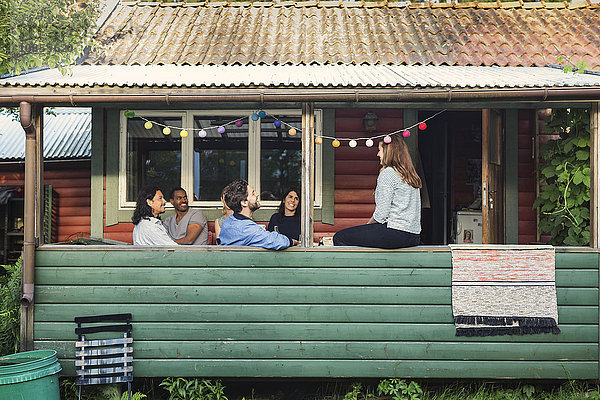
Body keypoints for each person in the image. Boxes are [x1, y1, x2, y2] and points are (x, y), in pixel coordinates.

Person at [333, 135, 421, 249]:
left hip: (394, 233)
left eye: (380, 150)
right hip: (413, 236)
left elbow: (381, 214)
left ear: (388, 151)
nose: (378, 154)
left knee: (340, 237)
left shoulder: (388, 173)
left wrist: (367, 226)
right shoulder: (410, 176)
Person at [219, 179, 297, 249]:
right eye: (253, 193)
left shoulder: (230, 220)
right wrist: (292, 241)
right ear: (244, 202)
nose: (257, 194)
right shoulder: (247, 229)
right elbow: (277, 241)